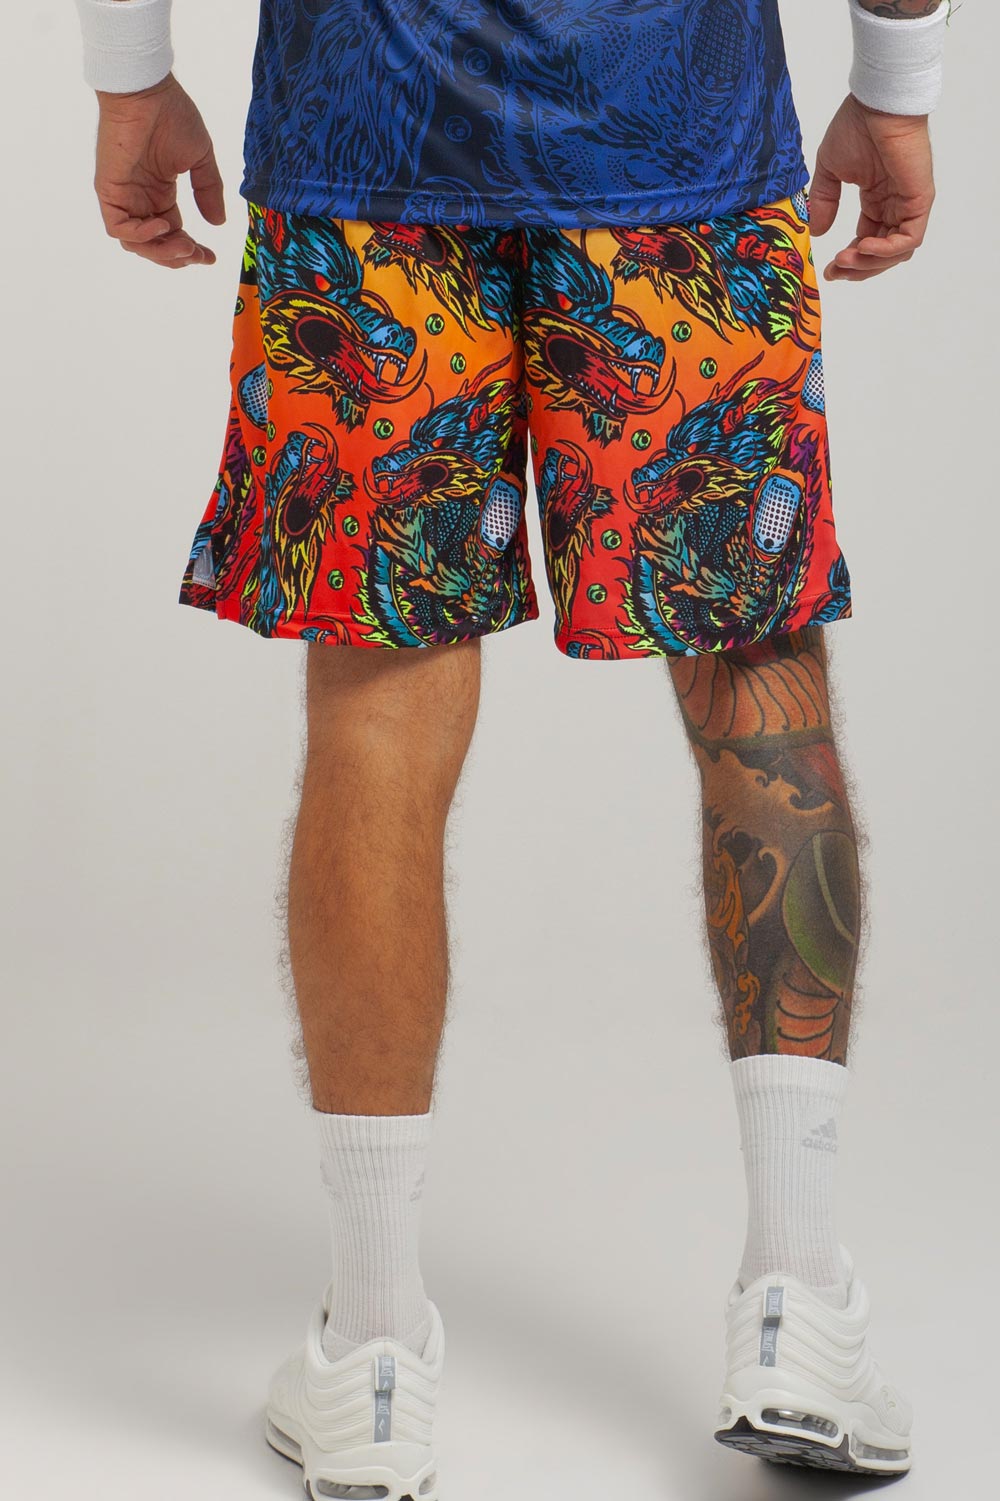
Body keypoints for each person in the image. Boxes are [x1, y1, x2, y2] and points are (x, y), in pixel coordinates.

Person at [75, 0, 953, 1489]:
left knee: (380, 696)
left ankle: (370, 1353)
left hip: (367, 152)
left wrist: (128, 74)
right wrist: (896, 77)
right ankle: (798, 1303)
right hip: (677, 147)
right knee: (755, 672)